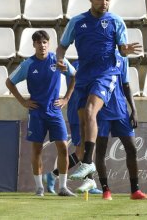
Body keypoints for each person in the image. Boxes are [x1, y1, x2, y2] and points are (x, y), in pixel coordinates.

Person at [56, 0, 142, 180]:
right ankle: (87, 164)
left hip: (106, 74)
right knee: (84, 121)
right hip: (84, 75)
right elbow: (62, 46)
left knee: (89, 111)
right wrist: (60, 58)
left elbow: (121, 49)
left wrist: (126, 50)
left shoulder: (115, 21)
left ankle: (87, 162)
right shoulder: (77, 22)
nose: (104, 3)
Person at [6, 30, 76, 197]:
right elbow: (9, 82)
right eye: (38, 42)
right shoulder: (28, 64)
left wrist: (66, 98)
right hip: (36, 112)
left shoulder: (58, 60)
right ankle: (39, 188)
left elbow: (74, 75)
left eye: (44, 42)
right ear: (34, 45)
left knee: (63, 147)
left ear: (48, 43)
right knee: (37, 149)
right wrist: (23, 102)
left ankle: (63, 187)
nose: (42, 45)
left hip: (54, 111)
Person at [96, 51, 147, 201]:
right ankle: (105, 190)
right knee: (101, 150)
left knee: (132, 149)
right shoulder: (96, 55)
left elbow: (126, 85)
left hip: (121, 111)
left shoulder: (122, 58)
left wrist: (134, 110)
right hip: (101, 111)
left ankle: (135, 190)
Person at [44, 60, 102, 195]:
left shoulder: (92, 63)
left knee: (86, 149)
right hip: (78, 113)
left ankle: (89, 182)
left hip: (87, 112)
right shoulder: (75, 65)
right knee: (81, 152)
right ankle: (52, 175)